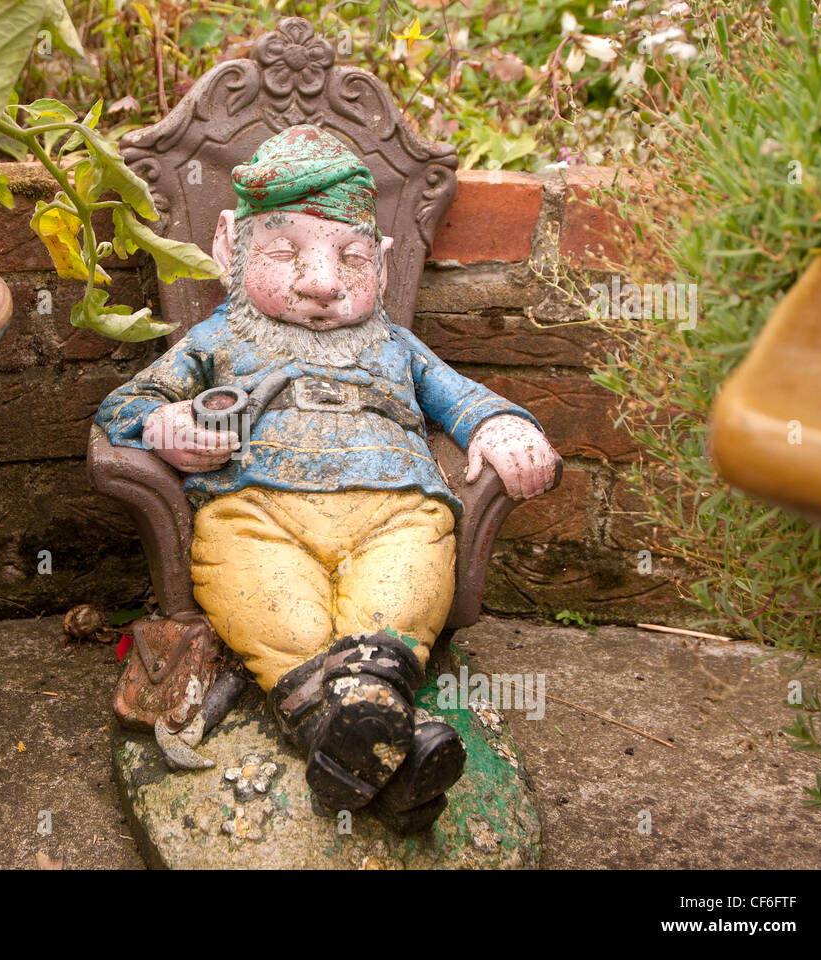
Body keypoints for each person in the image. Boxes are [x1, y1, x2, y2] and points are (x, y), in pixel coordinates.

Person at [95, 124, 561, 832]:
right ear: (232, 247)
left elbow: (460, 396)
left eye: (349, 259)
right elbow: (127, 405)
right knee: (266, 594)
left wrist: (502, 426)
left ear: (380, 261)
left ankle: (350, 720)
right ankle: (385, 754)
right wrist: (170, 425)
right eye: (284, 254)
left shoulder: (394, 345)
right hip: (259, 513)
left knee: (403, 579)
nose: (321, 282)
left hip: (394, 508)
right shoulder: (221, 338)